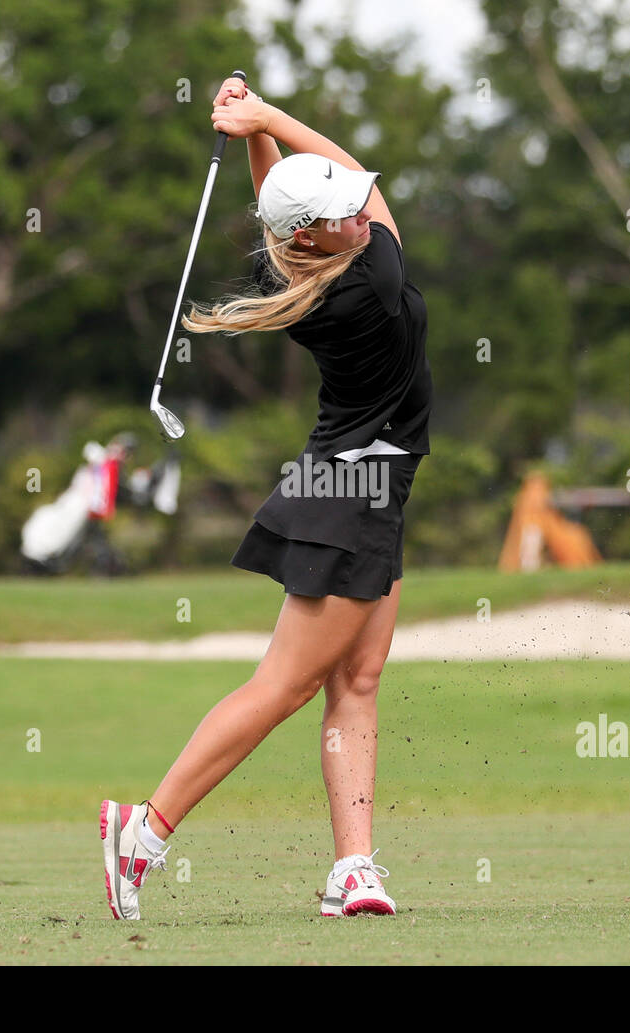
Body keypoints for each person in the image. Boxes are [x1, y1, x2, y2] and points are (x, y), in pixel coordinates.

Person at [99, 75, 432, 921]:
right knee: (282, 687)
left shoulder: (301, 261)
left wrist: (251, 134)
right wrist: (267, 117)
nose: (362, 210)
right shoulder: (372, 278)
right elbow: (368, 187)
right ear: (320, 235)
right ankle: (144, 827)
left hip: (359, 489)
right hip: (350, 495)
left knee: (358, 679)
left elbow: (288, 198)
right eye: (345, 211)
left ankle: (353, 869)